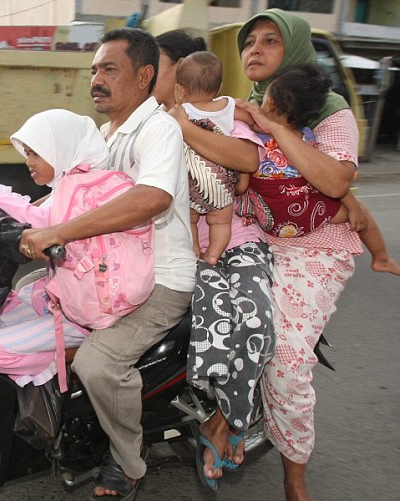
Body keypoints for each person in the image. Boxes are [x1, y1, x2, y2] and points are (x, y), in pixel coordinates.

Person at [19, 28, 196, 500]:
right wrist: (1, 204)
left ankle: (128, 462)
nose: (96, 78)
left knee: (98, 363)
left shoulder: (159, 130)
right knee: (20, 303)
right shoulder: (103, 134)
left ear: (143, 76)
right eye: (94, 69)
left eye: (109, 69)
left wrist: (58, 232)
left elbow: (152, 197)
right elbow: (62, 189)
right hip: (106, 273)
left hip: (159, 280)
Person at [232, 9, 364, 500]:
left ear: (297, 50)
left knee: (285, 359)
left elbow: (333, 180)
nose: (254, 49)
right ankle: (219, 420)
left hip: (314, 248)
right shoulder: (241, 104)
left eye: (270, 40)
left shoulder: (329, 110)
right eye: (249, 41)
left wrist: (272, 125)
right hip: (252, 235)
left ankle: (295, 479)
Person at [157, 34, 275, 492]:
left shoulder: (202, 117)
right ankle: (215, 415)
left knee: (258, 319)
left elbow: (249, 159)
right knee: (215, 315)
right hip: (185, 245)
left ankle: (227, 423)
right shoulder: (154, 123)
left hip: (240, 240)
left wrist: (184, 125)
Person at [0, 109, 111, 387]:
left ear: (61, 149)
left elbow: (42, 220)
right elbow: (38, 210)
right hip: (63, 292)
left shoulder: (82, 186)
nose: (29, 162)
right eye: (27, 154)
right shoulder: (72, 180)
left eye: (36, 154)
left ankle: (73, 356)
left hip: (82, 309)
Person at [236, 63, 400, 275]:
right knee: (361, 214)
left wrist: (243, 108)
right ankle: (381, 258)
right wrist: (354, 207)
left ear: (271, 103)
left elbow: (232, 113)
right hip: (308, 214)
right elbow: (326, 183)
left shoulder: (258, 133)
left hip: (266, 216)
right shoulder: (307, 139)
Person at [174, 51, 253, 264]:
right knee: (220, 222)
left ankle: (194, 253)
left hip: (193, 183)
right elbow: (249, 118)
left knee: (189, 221)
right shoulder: (226, 106)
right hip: (221, 184)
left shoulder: (180, 111)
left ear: (179, 89)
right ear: (218, 88)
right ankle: (213, 255)